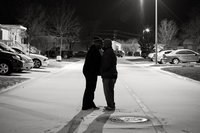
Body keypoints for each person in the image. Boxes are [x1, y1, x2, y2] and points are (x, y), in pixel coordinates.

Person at [82, 38, 103, 110]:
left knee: (90, 88)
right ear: (97, 44)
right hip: (90, 72)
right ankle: (86, 105)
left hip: (90, 71)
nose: (102, 45)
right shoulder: (94, 51)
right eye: (100, 44)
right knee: (90, 88)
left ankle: (89, 103)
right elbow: (98, 61)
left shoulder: (93, 50)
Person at [101, 39, 118, 111]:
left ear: (107, 44)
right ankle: (111, 104)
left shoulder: (107, 53)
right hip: (112, 74)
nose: (103, 45)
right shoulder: (111, 52)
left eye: (104, 43)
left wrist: (101, 70)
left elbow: (106, 65)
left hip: (108, 75)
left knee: (108, 91)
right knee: (110, 91)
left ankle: (110, 105)